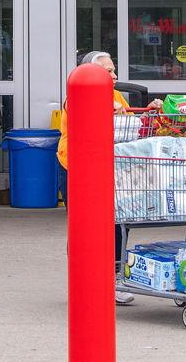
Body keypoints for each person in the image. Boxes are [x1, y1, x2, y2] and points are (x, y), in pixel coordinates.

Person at [57, 51, 135, 305]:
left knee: (115, 224)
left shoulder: (116, 96)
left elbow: (131, 125)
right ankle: (82, 282)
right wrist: (101, 105)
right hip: (76, 169)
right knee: (83, 228)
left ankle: (112, 279)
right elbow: (76, 108)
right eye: (108, 71)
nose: (114, 76)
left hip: (109, 169)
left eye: (113, 70)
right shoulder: (77, 95)